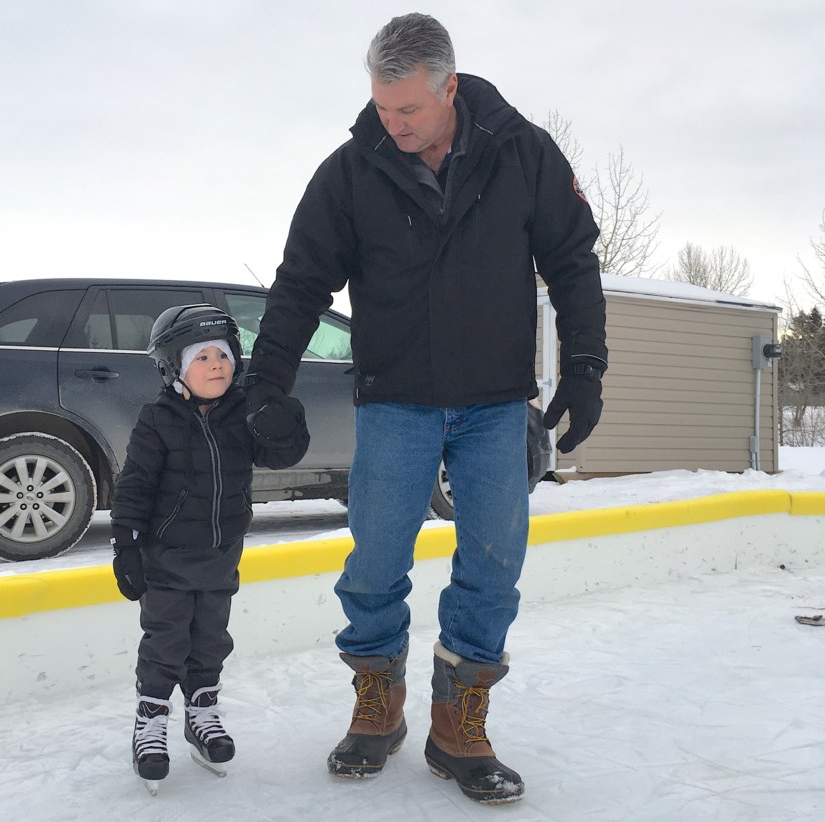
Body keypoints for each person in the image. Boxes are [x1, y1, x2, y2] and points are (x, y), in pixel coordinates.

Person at [244, 12, 607, 806]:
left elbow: (573, 260)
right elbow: (301, 280)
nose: (392, 123)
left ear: (450, 86)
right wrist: (264, 382)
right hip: (396, 401)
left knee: (492, 565)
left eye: (408, 109)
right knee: (374, 563)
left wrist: (584, 365)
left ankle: (459, 721)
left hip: (493, 404)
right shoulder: (349, 171)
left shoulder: (524, 153)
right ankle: (379, 702)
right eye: (381, 106)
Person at [110, 304, 309, 787]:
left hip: (222, 556)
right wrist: (126, 545)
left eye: (222, 354)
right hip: (167, 559)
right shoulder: (157, 420)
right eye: (202, 357)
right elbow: (134, 484)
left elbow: (282, 454)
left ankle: (201, 713)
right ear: (174, 368)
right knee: (166, 641)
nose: (216, 364)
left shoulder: (243, 412)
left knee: (211, 641)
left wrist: (285, 421)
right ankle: (151, 719)